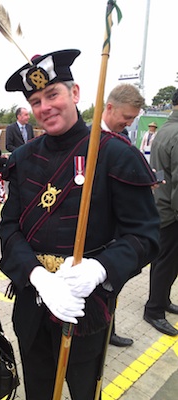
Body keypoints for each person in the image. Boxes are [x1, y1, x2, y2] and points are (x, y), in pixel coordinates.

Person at [0, 49, 160, 400]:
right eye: (36, 100)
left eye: (53, 94)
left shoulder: (114, 154)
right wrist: (36, 276)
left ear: (75, 93)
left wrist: (101, 269)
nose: (45, 107)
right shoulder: (24, 158)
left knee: (86, 391)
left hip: (85, 303)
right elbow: (8, 228)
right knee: (38, 391)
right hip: (33, 300)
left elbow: (145, 235)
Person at [100, 84, 147, 347]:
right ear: (109, 108)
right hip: (97, 231)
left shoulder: (124, 138)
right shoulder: (89, 139)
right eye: (126, 117)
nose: (127, 123)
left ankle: (109, 329)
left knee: (113, 285)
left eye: (131, 119)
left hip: (119, 231)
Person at [144, 89, 178, 336]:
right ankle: (154, 309)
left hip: (161, 205)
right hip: (172, 210)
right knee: (167, 262)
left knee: (164, 261)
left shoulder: (165, 130)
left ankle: (161, 299)